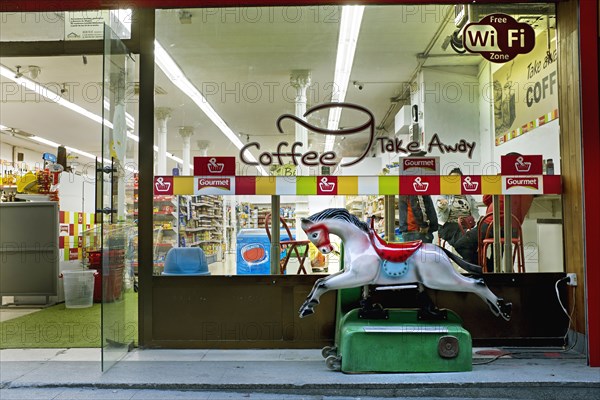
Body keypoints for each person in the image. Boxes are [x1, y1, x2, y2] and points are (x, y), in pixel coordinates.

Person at [435, 167, 480, 248]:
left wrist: (478, 224)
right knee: (464, 239)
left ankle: (472, 259)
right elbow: (439, 207)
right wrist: (442, 204)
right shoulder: (445, 194)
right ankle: (471, 259)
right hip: (449, 225)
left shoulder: (468, 196)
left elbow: (475, 212)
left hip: (466, 226)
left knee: (474, 237)